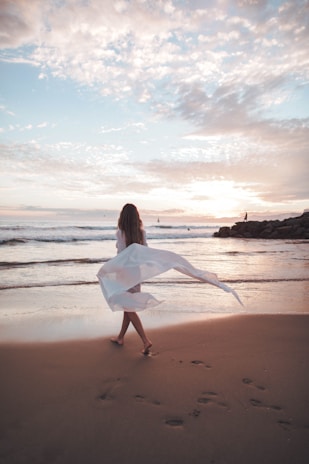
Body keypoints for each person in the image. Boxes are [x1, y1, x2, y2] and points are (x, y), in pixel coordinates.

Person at [110, 204, 153, 355]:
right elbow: (145, 251)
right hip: (136, 272)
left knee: (129, 308)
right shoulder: (141, 233)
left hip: (124, 273)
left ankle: (146, 340)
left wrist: (112, 269)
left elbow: (121, 254)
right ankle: (120, 337)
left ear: (123, 216)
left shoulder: (121, 232)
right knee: (128, 307)